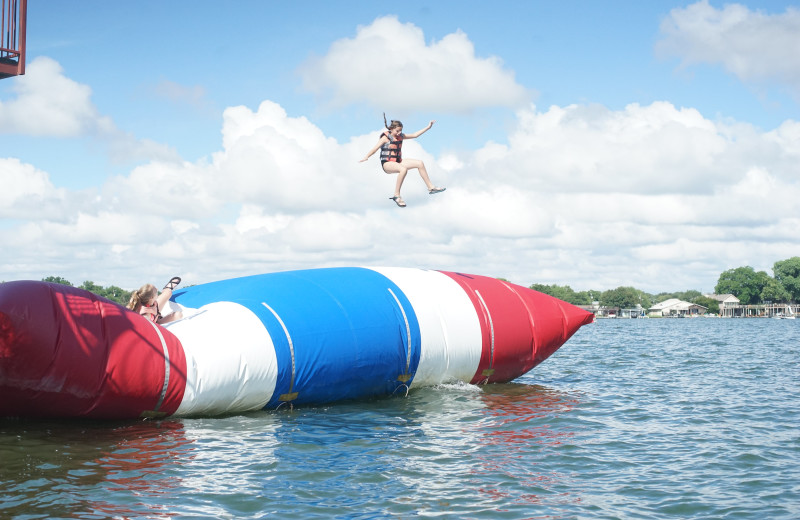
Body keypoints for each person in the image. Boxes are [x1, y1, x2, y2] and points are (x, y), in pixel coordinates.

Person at [360, 114, 446, 207]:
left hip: (397, 161)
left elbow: (415, 135)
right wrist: (367, 156)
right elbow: (375, 149)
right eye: (397, 131)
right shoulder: (385, 138)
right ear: (391, 129)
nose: (399, 132)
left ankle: (431, 187)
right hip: (387, 164)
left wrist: (428, 127)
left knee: (419, 163)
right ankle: (397, 195)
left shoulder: (400, 136)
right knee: (403, 169)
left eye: (401, 130)